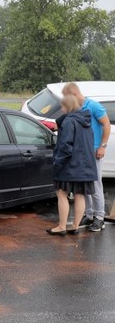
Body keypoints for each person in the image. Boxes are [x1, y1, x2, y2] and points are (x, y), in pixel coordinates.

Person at [62, 82, 110, 232]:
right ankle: (88, 215)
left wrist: (103, 146)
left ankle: (99, 218)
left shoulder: (93, 106)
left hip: (94, 152)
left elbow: (106, 125)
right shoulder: (76, 108)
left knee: (95, 185)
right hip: (81, 153)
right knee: (84, 186)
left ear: (74, 94)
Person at [47, 95, 98, 236]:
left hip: (69, 165)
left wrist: (57, 163)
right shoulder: (86, 121)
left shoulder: (69, 121)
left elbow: (65, 146)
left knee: (61, 194)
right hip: (85, 165)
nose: (61, 109)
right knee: (79, 195)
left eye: (63, 106)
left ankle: (62, 226)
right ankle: (75, 226)